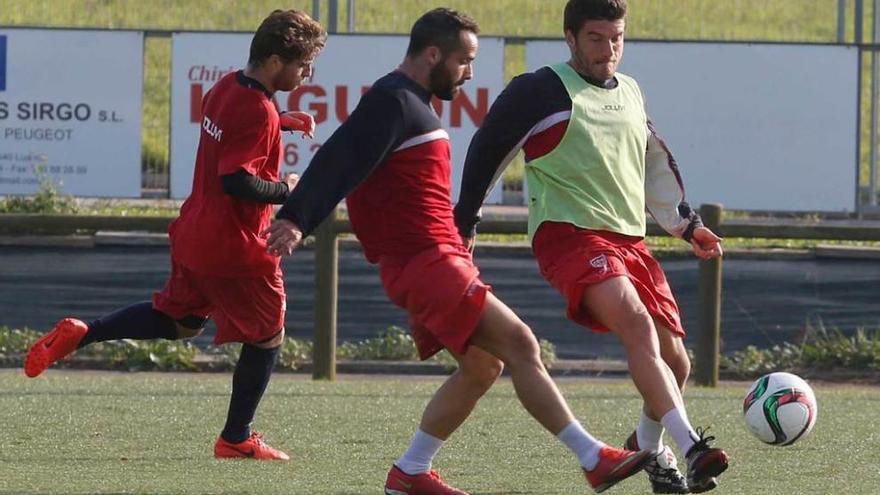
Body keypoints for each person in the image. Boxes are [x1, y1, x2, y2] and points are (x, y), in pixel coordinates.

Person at [263, 7, 653, 495]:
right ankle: (593, 457)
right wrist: (297, 218)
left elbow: (364, 177)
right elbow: (340, 161)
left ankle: (411, 471)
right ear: (433, 54)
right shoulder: (394, 101)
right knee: (521, 344)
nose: (469, 74)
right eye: (464, 61)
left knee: (483, 364)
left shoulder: (409, 103)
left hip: (434, 258)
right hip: (427, 263)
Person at [23, 9, 326, 461]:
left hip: (194, 233)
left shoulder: (225, 86)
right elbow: (237, 180)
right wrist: (289, 189)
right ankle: (237, 437)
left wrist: (282, 122)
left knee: (181, 323)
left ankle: (84, 333)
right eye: (303, 65)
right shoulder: (258, 110)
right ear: (276, 60)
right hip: (236, 246)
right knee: (268, 336)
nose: (307, 75)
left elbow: (236, 133)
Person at [452, 0, 729, 493]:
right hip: (570, 235)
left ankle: (648, 448)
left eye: (617, 38)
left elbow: (652, 164)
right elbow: (487, 151)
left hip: (630, 241)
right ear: (570, 37)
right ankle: (693, 447)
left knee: (677, 362)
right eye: (597, 39)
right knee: (636, 325)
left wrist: (687, 225)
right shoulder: (539, 90)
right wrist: (466, 221)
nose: (609, 50)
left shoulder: (630, 90)